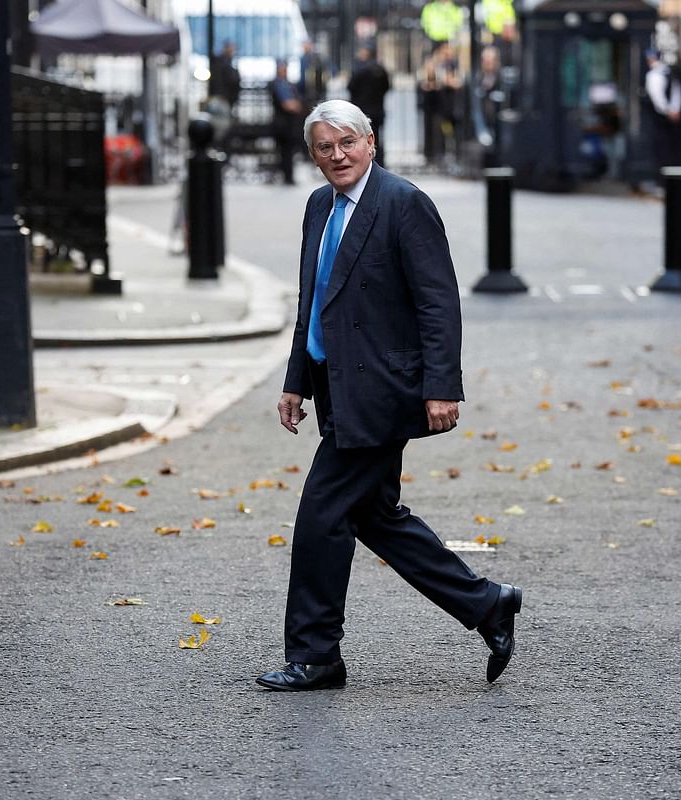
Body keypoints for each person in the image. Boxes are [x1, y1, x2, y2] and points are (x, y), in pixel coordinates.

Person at [256, 99, 523, 692]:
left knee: (321, 517)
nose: (337, 155)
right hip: (335, 385)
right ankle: (487, 604)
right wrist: (296, 378)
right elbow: (314, 302)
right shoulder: (318, 206)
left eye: (347, 142)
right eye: (324, 147)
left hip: (384, 389)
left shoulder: (404, 204)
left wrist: (442, 388)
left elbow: (438, 302)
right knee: (374, 517)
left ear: (371, 142)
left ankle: (316, 652)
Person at [347, 46, 391, 167]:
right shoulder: (381, 70)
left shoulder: (360, 70)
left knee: (361, 138)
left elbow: (351, 87)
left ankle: (365, 164)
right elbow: (387, 87)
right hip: (377, 110)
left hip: (363, 111)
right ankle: (379, 163)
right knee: (376, 138)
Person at [644, 48, 681, 170]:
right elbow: (677, 93)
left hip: (660, 116)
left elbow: (657, 97)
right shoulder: (668, 71)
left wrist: (668, 111)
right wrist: (675, 109)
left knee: (661, 146)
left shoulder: (655, 74)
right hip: (670, 113)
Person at [269, 60, 304, 185]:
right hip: (283, 124)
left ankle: (287, 175)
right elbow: (289, 105)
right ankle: (287, 176)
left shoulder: (286, 84)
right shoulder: (280, 85)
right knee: (286, 152)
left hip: (287, 124)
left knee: (287, 152)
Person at [297, 39, 328, 109]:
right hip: (308, 91)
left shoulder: (315, 58)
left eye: (307, 45)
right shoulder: (304, 58)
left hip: (315, 91)